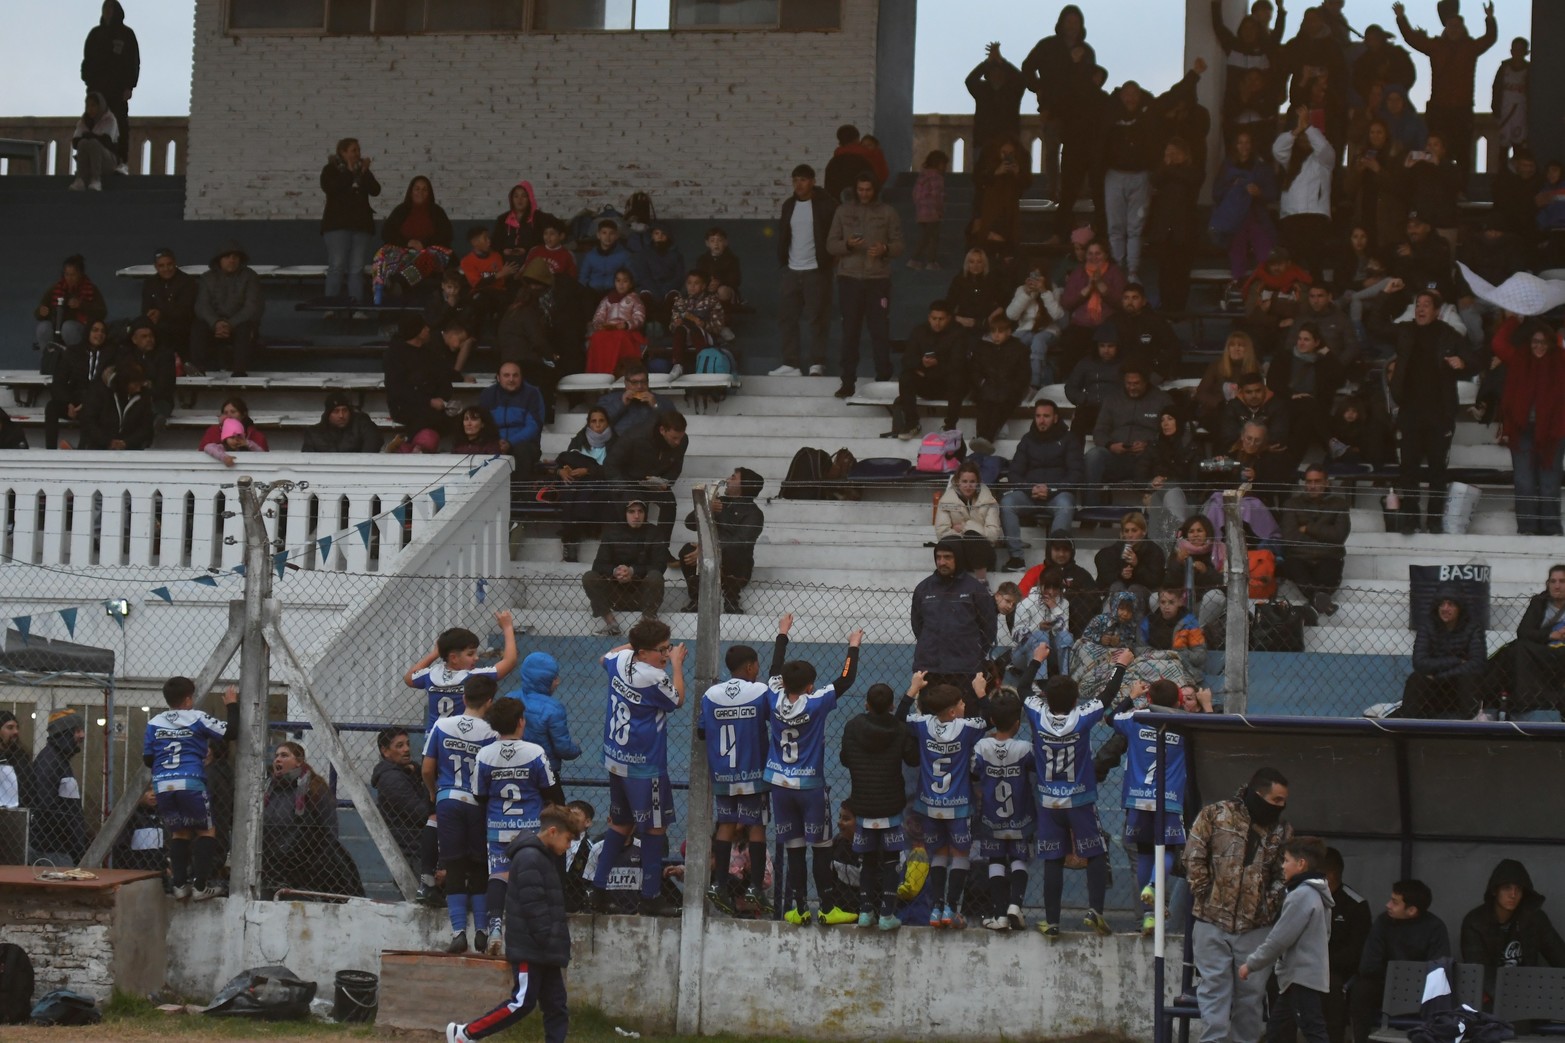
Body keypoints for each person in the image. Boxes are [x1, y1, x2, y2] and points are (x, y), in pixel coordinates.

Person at [403, 612, 519, 901]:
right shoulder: (471, 679)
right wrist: (507, 628)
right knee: (471, 812)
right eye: (470, 654)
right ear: (454, 658)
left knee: (436, 814)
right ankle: (468, 877)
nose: (475, 658)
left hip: (435, 748)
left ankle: (428, 878)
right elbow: (509, 662)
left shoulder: (432, 675)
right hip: (464, 745)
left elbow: (408, 677)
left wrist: (434, 654)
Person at [444, 805, 579, 1043]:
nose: (568, 846)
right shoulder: (530, 857)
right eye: (568, 840)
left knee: (556, 1005)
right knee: (522, 1002)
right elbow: (533, 905)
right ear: (553, 832)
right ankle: (465, 1034)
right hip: (532, 947)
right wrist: (548, 938)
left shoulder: (542, 857)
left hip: (544, 948)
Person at [765, 614, 863, 924]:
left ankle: (798, 908)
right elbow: (846, 678)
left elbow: (772, 669)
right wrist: (853, 646)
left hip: (779, 785)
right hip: (810, 787)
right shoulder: (816, 701)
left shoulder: (771, 695)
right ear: (810, 685)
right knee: (820, 848)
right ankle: (827, 906)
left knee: (794, 848)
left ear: (783, 682)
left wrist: (783, 633)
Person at [1187, 767, 1293, 1043]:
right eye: (1276, 800)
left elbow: (1283, 874)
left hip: (1256, 928)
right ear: (1258, 795)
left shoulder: (1281, 830)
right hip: (1211, 923)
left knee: (1251, 999)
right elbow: (1194, 857)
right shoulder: (1214, 815)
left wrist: (1267, 905)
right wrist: (1206, 895)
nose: (1281, 807)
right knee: (1214, 993)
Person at [588, 619, 687, 917]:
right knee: (655, 828)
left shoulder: (620, 660)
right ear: (643, 653)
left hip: (616, 760)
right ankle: (651, 896)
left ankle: (598, 890)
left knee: (620, 824)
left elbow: (603, 657)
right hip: (645, 765)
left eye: (668, 648)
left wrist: (634, 644)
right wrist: (678, 665)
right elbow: (679, 699)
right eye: (661, 650)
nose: (666, 654)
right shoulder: (654, 676)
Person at [1023, 658, 1128, 938]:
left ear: (1045, 698)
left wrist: (1036, 660)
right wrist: (1120, 665)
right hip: (1080, 800)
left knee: (1053, 859)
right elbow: (1105, 698)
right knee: (1094, 852)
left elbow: (1022, 690)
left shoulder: (1036, 713)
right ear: (1075, 700)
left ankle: (1052, 921)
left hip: (1048, 802)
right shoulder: (1082, 717)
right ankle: (1095, 911)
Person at [697, 641, 783, 915]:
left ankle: (720, 884)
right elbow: (777, 719)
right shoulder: (760, 691)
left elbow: (702, 731)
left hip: (722, 772)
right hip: (753, 772)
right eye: (757, 664)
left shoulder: (711, 694)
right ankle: (756, 887)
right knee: (756, 826)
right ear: (750, 666)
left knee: (726, 824)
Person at [899, 671, 990, 930]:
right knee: (960, 855)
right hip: (958, 805)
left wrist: (912, 688)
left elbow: (901, 716)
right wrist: (980, 692)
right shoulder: (965, 728)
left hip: (929, 804)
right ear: (952, 711)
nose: (964, 705)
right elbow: (989, 718)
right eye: (961, 703)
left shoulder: (923, 723)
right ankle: (951, 906)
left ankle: (936, 908)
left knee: (937, 854)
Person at [472, 697, 562, 956]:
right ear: (521, 722)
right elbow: (551, 789)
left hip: (499, 826)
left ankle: (496, 927)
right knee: (532, 880)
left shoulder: (485, 753)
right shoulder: (534, 752)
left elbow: (479, 794)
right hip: (531, 829)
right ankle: (529, 934)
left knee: (498, 876)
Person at [422, 674, 500, 951]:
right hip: (478, 803)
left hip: (448, 799)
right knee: (479, 864)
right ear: (490, 702)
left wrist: (434, 793)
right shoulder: (492, 734)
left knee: (453, 863)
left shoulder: (442, 725)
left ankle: (458, 932)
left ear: (463, 698)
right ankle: (481, 929)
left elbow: (427, 769)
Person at [143, 675, 237, 899]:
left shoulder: (154, 722)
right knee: (207, 830)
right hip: (190, 782)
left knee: (179, 832)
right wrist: (232, 704)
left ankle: (179, 885)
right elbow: (231, 732)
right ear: (188, 699)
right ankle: (200, 886)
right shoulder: (196, 717)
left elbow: (148, 758)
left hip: (163, 784)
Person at [1390, 287, 1474, 534]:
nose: (1421, 308)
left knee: (1438, 470)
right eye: (1418, 304)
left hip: (1440, 413)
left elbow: (1474, 361)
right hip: (1410, 412)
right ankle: (1410, 518)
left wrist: (1463, 363)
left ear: (1437, 311)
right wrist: (1387, 294)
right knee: (1409, 469)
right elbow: (1374, 326)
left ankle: (1435, 519)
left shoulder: (1449, 334)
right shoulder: (1405, 330)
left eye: (1426, 304)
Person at [839, 679, 919, 930]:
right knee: (891, 861)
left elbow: (844, 759)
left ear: (866, 704)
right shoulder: (899, 728)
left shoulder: (853, 727)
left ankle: (865, 912)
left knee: (867, 860)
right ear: (893, 706)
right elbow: (913, 759)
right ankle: (886, 913)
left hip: (862, 805)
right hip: (891, 806)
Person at [1239, 836, 1334, 1043]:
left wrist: (1252, 964)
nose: (1282, 866)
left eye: (1286, 860)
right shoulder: (1318, 893)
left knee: (1313, 1030)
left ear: (1301, 864)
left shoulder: (1302, 895)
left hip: (1301, 977)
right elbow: (1325, 933)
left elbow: (1279, 939)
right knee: (1276, 1031)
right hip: (1297, 977)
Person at [1393, 0, 1497, 180]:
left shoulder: (1469, 48)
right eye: (1451, 25)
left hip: (1461, 109)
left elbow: (1489, 39)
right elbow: (1412, 39)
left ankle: (1461, 188)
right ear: (1445, 27)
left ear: (1463, 27)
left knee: (1463, 151)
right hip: (1439, 108)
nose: (1454, 29)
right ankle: (1437, 184)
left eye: (1457, 25)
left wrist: (1489, 18)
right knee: (1437, 150)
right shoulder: (1436, 46)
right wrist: (1401, 18)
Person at [827, 172, 903, 397]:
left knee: (879, 330)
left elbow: (899, 244)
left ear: (875, 189)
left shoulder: (888, 212)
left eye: (868, 190)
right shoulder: (842, 211)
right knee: (850, 331)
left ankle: (883, 376)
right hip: (849, 278)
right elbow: (831, 244)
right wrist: (848, 245)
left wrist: (885, 249)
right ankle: (848, 380)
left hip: (878, 279)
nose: (864, 194)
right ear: (855, 189)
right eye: (860, 189)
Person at [1490, 317, 1565, 536]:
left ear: (1551, 343)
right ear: (1528, 343)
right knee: (1523, 480)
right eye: (1534, 341)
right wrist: (1514, 319)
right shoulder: (1519, 358)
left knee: (1550, 481)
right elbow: (1498, 343)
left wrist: (1559, 340)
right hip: (1522, 429)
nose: (1539, 346)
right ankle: (1527, 527)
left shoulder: (1560, 360)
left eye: (1544, 342)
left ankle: (1551, 528)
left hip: (1554, 431)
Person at [1352, 879, 1451, 1043]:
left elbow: (1438, 969)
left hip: (1422, 991)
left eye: (1395, 902)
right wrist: (1395, 979)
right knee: (1361, 989)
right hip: (1385, 986)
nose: (1388, 905)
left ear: (1411, 910)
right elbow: (1368, 965)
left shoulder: (1435, 927)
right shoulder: (1383, 922)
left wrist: (1406, 978)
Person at [1460, 859, 1565, 1010]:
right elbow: (1480, 972)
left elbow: (1558, 954)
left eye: (1519, 889)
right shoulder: (1475, 921)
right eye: (1507, 888)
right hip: (1490, 1000)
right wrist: (1513, 1000)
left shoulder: (1534, 918)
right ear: (1495, 890)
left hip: (1528, 993)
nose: (1513, 894)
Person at [262, 740, 362, 898]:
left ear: (298, 762)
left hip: (307, 866)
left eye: (284, 755)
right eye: (276, 756)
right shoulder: (268, 790)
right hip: (273, 865)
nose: (277, 760)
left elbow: (329, 830)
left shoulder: (314, 788)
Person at [1021, 4, 1098, 202]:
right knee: (1052, 151)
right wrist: (1037, 88)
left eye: (1076, 22)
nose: (1072, 26)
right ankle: (1053, 190)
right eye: (1068, 22)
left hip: (1079, 111)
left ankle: (1076, 190)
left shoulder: (1087, 51)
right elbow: (1027, 67)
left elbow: (1089, 80)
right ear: (1061, 24)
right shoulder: (1047, 46)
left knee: (1076, 151)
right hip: (1052, 108)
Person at [1000, 400, 1083, 570]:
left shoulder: (1069, 439)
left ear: (1055, 418)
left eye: (1046, 416)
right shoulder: (1027, 439)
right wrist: (1030, 489)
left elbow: (1076, 474)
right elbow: (1014, 473)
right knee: (1007, 502)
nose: (1041, 420)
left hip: (1058, 494)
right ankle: (1016, 559)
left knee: (1066, 505)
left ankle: (1053, 561)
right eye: (1038, 416)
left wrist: (1051, 489)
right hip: (1030, 494)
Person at [772, 163, 837, 378]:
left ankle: (817, 362)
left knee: (817, 318)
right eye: (795, 180)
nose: (798, 184)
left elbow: (835, 234)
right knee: (786, 317)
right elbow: (784, 234)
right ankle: (791, 363)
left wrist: (828, 261)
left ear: (813, 181)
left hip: (816, 270)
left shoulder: (827, 205)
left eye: (803, 179)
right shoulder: (788, 205)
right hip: (791, 269)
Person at [912, 536, 997, 690]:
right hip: (930, 669)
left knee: (966, 713)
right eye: (938, 557)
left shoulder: (976, 590)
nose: (942, 562)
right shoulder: (923, 589)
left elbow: (989, 628)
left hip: (966, 670)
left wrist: (972, 652)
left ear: (958, 557)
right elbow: (917, 626)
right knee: (929, 714)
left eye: (947, 557)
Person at [678, 468, 764, 615]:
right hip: (708, 558)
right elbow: (689, 524)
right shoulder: (719, 502)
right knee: (687, 550)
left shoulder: (754, 513)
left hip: (734, 564)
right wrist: (706, 509)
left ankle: (731, 599)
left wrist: (707, 548)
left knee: (736, 552)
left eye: (733, 477)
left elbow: (740, 542)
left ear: (743, 485)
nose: (728, 480)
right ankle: (697, 599)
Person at [1086, 362, 1174, 505]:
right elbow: (1100, 431)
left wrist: (1150, 445)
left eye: (1136, 383)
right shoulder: (1112, 399)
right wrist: (1111, 445)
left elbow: (1171, 433)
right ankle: (1089, 509)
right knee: (1093, 456)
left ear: (1146, 381)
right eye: (1128, 383)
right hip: (1117, 458)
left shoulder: (1162, 400)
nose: (1132, 387)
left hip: (1148, 460)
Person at [604, 409, 687, 554]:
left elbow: (676, 468)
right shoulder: (635, 437)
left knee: (669, 504)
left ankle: (661, 549)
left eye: (680, 437)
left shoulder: (682, 441)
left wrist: (665, 482)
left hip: (655, 481)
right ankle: (633, 550)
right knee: (637, 507)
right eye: (674, 438)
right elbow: (611, 464)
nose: (678, 442)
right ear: (662, 430)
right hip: (629, 480)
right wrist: (623, 488)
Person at [583, 500, 667, 635]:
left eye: (640, 511)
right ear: (624, 513)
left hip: (643, 593)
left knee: (655, 576)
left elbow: (660, 565)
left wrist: (632, 571)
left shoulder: (654, 532)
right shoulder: (611, 532)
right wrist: (616, 572)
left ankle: (646, 625)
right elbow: (598, 565)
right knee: (589, 577)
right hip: (616, 593)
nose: (636, 516)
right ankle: (611, 624)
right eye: (631, 511)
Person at [887, 299, 967, 439]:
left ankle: (950, 426)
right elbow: (907, 360)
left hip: (946, 385)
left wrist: (935, 365)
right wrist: (921, 364)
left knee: (958, 379)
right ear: (929, 317)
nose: (937, 322)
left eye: (941, 319)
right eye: (934, 318)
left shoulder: (958, 333)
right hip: (926, 382)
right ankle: (912, 424)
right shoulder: (919, 331)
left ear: (948, 318)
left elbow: (958, 363)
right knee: (906, 377)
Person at [1274, 107, 1336, 280]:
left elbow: (1322, 147)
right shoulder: (1290, 161)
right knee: (1291, 263)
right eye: (1302, 136)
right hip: (1291, 217)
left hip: (1314, 217)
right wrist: (1296, 130)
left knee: (1314, 262)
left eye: (1308, 135)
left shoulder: (1325, 160)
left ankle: (1318, 298)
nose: (1304, 139)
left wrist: (1308, 126)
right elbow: (1277, 149)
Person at [319, 137, 381, 307]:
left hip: (361, 226)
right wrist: (350, 171)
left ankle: (357, 306)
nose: (357, 154)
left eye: (358, 150)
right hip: (337, 225)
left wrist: (365, 172)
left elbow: (376, 190)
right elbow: (331, 188)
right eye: (353, 150)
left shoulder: (362, 171)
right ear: (343, 152)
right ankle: (330, 306)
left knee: (356, 268)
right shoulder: (331, 170)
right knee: (337, 265)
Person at [1281, 466, 1351, 615]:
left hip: (1328, 557)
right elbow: (1289, 537)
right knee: (1293, 565)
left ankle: (1314, 601)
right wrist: (1325, 537)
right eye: (1309, 481)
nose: (1312, 486)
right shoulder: (1292, 504)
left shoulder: (1339, 504)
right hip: (1299, 558)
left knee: (1329, 570)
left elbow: (1339, 536)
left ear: (1326, 483)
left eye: (1317, 481)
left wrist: (1307, 528)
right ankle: (1320, 600)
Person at [374, 175, 454, 303]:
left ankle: (401, 282)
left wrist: (423, 244)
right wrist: (407, 242)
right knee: (383, 253)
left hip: (429, 252)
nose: (420, 192)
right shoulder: (401, 210)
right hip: (405, 251)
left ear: (429, 193)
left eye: (424, 189)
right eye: (417, 189)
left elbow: (446, 234)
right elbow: (387, 233)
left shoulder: (437, 211)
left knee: (427, 257)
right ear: (411, 191)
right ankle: (380, 286)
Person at [190, 241, 263, 377]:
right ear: (219, 259)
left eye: (235, 256)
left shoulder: (250, 276)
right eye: (227, 257)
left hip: (239, 325)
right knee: (198, 326)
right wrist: (216, 323)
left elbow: (252, 307)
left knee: (246, 328)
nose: (232, 260)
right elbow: (201, 306)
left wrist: (230, 324)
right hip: (214, 327)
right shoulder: (207, 277)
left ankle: (239, 372)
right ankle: (198, 371)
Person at [1323, 847, 1373, 1043]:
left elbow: (1356, 951)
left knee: (1331, 987)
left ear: (1330, 875)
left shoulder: (1356, 905)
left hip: (1337, 970)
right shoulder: (1302, 899)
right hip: (1302, 966)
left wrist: (1322, 962)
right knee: (1276, 983)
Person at [79, 1, 136, 173]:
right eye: (105, 9)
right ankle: (88, 164)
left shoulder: (126, 35)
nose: (107, 12)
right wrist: (87, 80)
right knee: (93, 124)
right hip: (97, 90)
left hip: (118, 91)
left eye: (111, 8)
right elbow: (87, 59)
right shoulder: (95, 34)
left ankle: (121, 162)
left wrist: (129, 85)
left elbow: (133, 61)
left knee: (119, 125)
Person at [555, 406, 618, 560]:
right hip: (576, 483)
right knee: (569, 489)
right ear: (588, 423)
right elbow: (564, 462)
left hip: (601, 483)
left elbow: (616, 470)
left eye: (601, 421)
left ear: (607, 423)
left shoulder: (616, 442)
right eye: (593, 421)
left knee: (580, 491)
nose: (597, 425)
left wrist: (589, 471)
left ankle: (574, 534)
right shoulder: (579, 439)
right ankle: (571, 541)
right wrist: (560, 471)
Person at [43, 318, 110, 450]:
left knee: (91, 411)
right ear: (87, 333)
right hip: (74, 400)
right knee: (51, 407)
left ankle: (81, 450)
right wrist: (68, 404)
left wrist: (87, 403)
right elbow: (59, 382)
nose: (99, 334)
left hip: (98, 402)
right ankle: (50, 450)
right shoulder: (73, 352)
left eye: (103, 331)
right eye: (95, 330)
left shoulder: (111, 354)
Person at [30, 709, 87, 866]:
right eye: (77, 730)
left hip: (57, 846)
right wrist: (73, 841)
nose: (82, 736)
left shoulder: (58, 761)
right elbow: (48, 807)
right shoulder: (51, 762)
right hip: (52, 848)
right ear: (65, 732)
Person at [967, 314, 1031, 446]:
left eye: (1000, 332)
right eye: (993, 331)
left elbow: (1023, 375)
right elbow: (974, 370)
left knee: (1000, 402)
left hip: (1009, 390)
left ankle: (986, 439)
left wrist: (1011, 387)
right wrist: (983, 383)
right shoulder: (982, 347)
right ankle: (983, 438)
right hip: (986, 388)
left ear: (1009, 332)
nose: (996, 335)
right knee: (985, 402)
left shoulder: (1019, 349)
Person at [372, 726, 428, 876]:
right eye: (399, 745)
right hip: (412, 851)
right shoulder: (392, 779)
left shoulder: (404, 771)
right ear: (385, 751)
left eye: (407, 744)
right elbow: (421, 813)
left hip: (416, 847)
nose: (406, 749)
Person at [965, 42, 1026, 173]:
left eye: (999, 70)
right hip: (983, 141)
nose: (996, 73)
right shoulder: (982, 89)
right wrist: (987, 62)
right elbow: (970, 81)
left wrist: (1001, 61)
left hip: (1008, 141)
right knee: (982, 177)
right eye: (993, 70)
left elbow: (1022, 80)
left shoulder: (1012, 91)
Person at [935, 460, 1001, 580]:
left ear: (978, 482)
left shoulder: (989, 501)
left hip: (984, 555)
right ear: (957, 482)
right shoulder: (946, 501)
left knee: (971, 536)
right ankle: (951, 584)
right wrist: (974, 530)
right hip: (959, 554)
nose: (968, 486)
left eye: (972, 482)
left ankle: (982, 582)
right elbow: (942, 533)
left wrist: (966, 527)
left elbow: (993, 535)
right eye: (964, 481)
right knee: (950, 543)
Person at [478, 360, 545, 475]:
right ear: (498, 378)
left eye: (515, 375)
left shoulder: (532, 393)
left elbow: (533, 426)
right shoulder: (487, 394)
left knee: (522, 450)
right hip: (494, 442)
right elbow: (482, 423)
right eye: (506, 375)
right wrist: (496, 442)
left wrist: (510, 443)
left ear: (521, 377)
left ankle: (518, 492)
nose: (511, 379)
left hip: (524, 444)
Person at [1094, 511, 1167, 613]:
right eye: (1126, 531)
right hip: (1121, 590)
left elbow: (1156, 580)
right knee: (1117, 586)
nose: (1130, 535)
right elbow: (1103, 568)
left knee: (1135, 589)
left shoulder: (1154, 551)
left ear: (1144, 531)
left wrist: (1137, 565)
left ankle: (1134, 626)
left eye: (1134, 530)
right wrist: (1122, 574)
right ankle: (1114, 624)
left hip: (1145, 592)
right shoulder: (1116, 549)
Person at [33, 255, 106, 355]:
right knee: (43, 328)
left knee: (69, 328)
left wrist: (81, 305)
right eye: (67, 274)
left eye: (73, 275)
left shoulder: (91, 289)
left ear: (80, 274)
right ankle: (48, 361)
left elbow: (102, 312)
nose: (69, 278)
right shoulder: (55, 288)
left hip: (80, 329)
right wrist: (41, 312)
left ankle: (75, 361)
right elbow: (38, 312)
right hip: (56, 327)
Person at [78, 363, 153, 451]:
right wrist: (108, 442)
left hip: (130, 449)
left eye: (139, 385)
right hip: (98, 447)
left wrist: (126, 443)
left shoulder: (143, 397)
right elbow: (89, 422)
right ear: (124, 382)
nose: (138, 389)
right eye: (135, 385)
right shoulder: (99, 393)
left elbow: (146, 428)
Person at [666, 269, 725, 378]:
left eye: (696, 283)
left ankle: (703, 363)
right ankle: (678, 365)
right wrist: (675, 324)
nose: (692, 286)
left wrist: (703, 324)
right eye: (689, 283)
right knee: (680, 330)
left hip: (706, 336)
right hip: (685, 337)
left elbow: (718, 326)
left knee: (695, 330)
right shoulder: (680, 301)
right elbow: (672, 324)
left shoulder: (712, 301)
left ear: (703, 286)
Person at [596, 363, 667, 442]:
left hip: (650, 444)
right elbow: (598, 424)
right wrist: (621, 404)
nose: (639, 386)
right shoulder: (608, 399)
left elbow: (673, 424)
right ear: (626, 384)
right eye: (634, 382)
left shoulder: (661, 400)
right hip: (618, 444)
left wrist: (655, 406)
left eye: (643, 382)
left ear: (648, 383)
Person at [492, 180, 553, 267]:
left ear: (529, 198)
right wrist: (503, 250)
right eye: (516, 196)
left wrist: (526, 250)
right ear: (511, 199)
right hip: (505, 261)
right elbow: (495, 242)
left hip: (530, 261)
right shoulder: (502, 219)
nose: (519, 199)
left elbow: (543, 241)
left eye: (524, 196)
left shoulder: (539, 218)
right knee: (486, 274)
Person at [66, 90, 118, 192]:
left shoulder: (110, 120)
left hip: (106, 162)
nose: (90, 109)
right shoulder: (84, 121)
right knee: (83, 143)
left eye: (93, 105)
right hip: (88, 162)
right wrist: (88, 138)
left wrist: (91, 136)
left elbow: (107, 141)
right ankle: (80, 180)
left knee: (94, 143)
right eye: (88, 106)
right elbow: (76, 142)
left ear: (100, 106)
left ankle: (96, 179)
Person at [909, 150, 950, 271]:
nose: (945, 167)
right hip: (933, 212)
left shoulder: (923, 175)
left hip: (921, 212)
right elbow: (937, 195)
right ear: (938, 163)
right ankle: (923, 260)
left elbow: (915, 193)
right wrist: (940, 210)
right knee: (931, 237)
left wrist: (919, 206)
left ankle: (923, 260)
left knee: (925, 235)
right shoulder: (937, 177)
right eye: (944, 164)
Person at [301, 391, 382, 453]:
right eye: (336, 411)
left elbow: (373, 445)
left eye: (345, 410)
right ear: (328, 414)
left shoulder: (361, 424)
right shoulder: (314, 433)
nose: (341, 415)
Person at [578, 220, 633, 301]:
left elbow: (632, 276)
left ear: (616, 236)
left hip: (614, 292)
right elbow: (583, 278)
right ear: (598, 235)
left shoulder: (624, 255)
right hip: (593, 292)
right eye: (604, 233)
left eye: (611, 233)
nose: (607, 237)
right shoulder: (590, 256)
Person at [0, 711, 35, 812]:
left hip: (18, 817)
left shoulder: (21, 757)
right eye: (10, 727)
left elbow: (28, 791)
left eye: (17, 728)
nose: (16, 732)